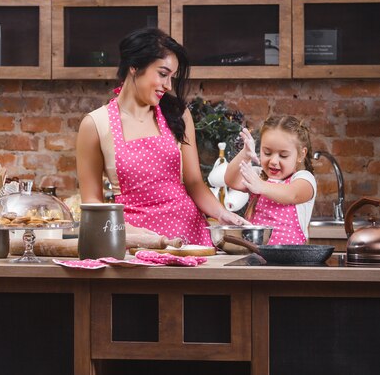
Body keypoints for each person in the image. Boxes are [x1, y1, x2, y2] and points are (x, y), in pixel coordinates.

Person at [76, 27, 248, 247]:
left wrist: (222, 214)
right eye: (163, 74)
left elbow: (194, 182)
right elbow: (92, 202)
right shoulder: (95, 125)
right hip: (135, 241)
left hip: (189, 239)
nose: (168, 86)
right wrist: (133, 235)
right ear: (134, 66)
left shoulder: (177, 115)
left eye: (172, 77)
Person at [225, 115, 317, 245]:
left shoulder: (304, 179)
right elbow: (231, 180)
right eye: (267, 153)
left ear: (301, 154)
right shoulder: (259, 176)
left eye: (283, 155)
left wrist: (260, 186)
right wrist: (245, 154)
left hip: (290, 260)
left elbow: (293, 194)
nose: (273, 161)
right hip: (256, 255)